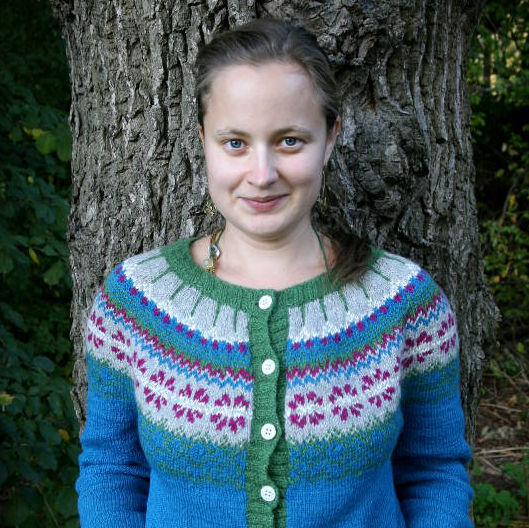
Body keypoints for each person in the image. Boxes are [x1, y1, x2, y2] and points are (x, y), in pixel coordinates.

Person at [76, 18, 474, 528]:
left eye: (289, 141)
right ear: (203, 140)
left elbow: (434, 471)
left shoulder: (404, 302)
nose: (262, 174)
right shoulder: (135, 302)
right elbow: (112, 470)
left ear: (330, 138)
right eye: (235, 143)